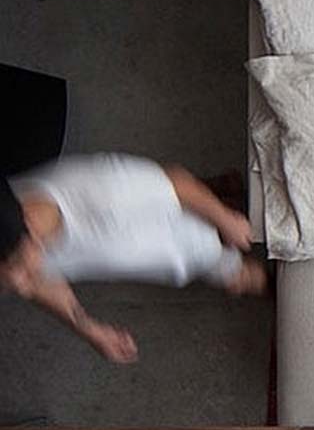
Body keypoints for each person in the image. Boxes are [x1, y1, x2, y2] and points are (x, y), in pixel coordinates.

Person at [0, 153, 266, 363]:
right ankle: (219, 195)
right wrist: (89, 329)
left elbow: (177, 181)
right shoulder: (17, 241)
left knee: (244, 274)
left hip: (183, 232)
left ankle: (221, 201)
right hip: (158, 248)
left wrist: (226, 219)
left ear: (29, 228)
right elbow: (38, 281)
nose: (20, 288)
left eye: (17, 270)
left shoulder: (104, 191)